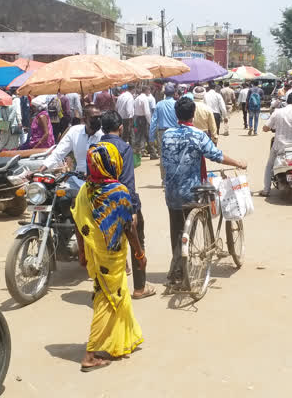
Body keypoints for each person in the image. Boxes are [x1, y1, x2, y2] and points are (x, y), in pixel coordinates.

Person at [71, 142, 145, 372]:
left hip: (95, 253)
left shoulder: (85, 189)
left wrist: (82, 254)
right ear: (111, 164)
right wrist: (139, 252)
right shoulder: (118, 191)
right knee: (106, 299)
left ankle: (123, 339)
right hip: (111, 255)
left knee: (117, 295)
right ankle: (90, 354)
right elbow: (128, 228)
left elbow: (78, 222)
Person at [160, 97, 246, 286]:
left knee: (176, 229)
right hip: (192, 192)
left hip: (171, 192)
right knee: (200, 212)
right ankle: (204, 248)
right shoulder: (198, 135)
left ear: (176, 114)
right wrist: (238, 163)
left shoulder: (166, 134)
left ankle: (176, 267)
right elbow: (217, 155)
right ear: (193, 115)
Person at [101, 111, 155, 300]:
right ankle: (140, 288)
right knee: (137, 241)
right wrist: (132, 210)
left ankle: (110, 289)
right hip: (121, 203)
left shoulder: (94, 147)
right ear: (121, 128)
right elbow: (127, 182)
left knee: (107, 246)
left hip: (100, 205)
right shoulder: (124, 148)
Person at [39, 105, 104, 189]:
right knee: (58, 197)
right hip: (77, 180)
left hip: (98, 182)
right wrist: (40, 170)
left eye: (100, 117)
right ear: (84, 119)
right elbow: (58, 153)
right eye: (94, 118)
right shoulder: (74, 131)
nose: (98, 120)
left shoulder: (104, 135)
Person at [259, 91, 292, 198]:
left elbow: (265, 127)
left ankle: (266, 190)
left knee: (269, 166)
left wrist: (268, 129)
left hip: (279, 146)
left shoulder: (277, 112)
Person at [149, 84, 179, 180]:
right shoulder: (176, 104)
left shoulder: (159, 104)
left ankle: (164, 179)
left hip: (162, 133)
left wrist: (151, 137)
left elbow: (153, 121)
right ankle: (174, 177)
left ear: (164, 93)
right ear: (174, 93)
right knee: (175, 154)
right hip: (175, 132)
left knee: (163, 156)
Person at [132, 86, 155, 158]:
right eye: (149, 89)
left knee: (138, 136)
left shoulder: (137, 98)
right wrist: (150, 122)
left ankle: (136, 153)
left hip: (137, 118)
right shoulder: (144, 99)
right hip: (143, 119)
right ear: (146, 90)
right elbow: (147, 112)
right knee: (148, 135)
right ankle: (153, 153)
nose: (149, 91)